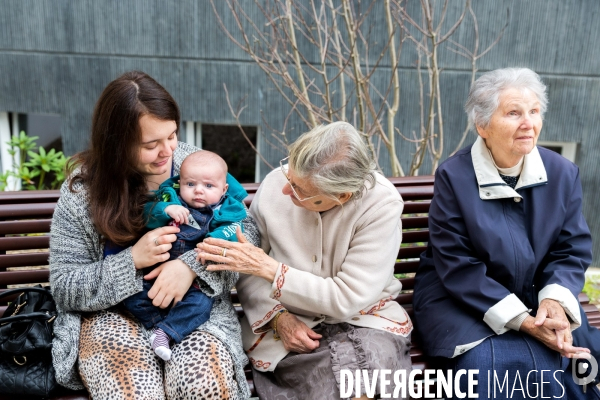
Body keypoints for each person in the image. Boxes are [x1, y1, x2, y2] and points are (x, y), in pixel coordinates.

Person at [49, 71, 258, 399]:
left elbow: (247, 235)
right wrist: (132, 260)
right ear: (117, 144)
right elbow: (64, 287)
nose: (168, 151)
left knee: (203, 386)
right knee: (133, 391)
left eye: (172, 135)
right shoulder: (83, 191)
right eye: (151, 144)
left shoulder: (191, 164)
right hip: (111, 317)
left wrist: (191, 266)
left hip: (192, 312)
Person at [413, 67, 600, 399]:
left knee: (577, 362)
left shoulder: (562, 173)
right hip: (462, 299)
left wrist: (554, 302)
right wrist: (526, 323)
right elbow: (457, 264)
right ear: (483, 126)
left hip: (535, 294)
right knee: (491, 366)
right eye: (514, 113)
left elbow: (569, 249)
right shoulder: (454, 176)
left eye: (534, 112)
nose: (528, 123)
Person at [196, 121, 413, 400]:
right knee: (324, 385)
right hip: (288, 322)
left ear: (341, 196)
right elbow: (247, 268)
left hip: (365, 318)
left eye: (300, 190)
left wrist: (271, 269)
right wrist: (277, 318)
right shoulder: (278, 182)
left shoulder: (381, 205)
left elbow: (347, 296)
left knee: (367, 386)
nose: (286, 190)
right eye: (290, 176)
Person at [122, 150, 248, 361]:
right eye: (190, 184)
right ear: (180, 183)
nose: (198, 191)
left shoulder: (226, 210)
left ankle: (164, 333)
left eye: (208, 186)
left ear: (224, 189)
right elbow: (147, 215)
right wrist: (166, 210)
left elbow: (234, 231)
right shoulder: (169, 197)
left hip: (195, 280)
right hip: (156, 272)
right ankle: (159, 324)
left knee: (201, 306)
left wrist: (213, 242)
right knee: (132, 295)